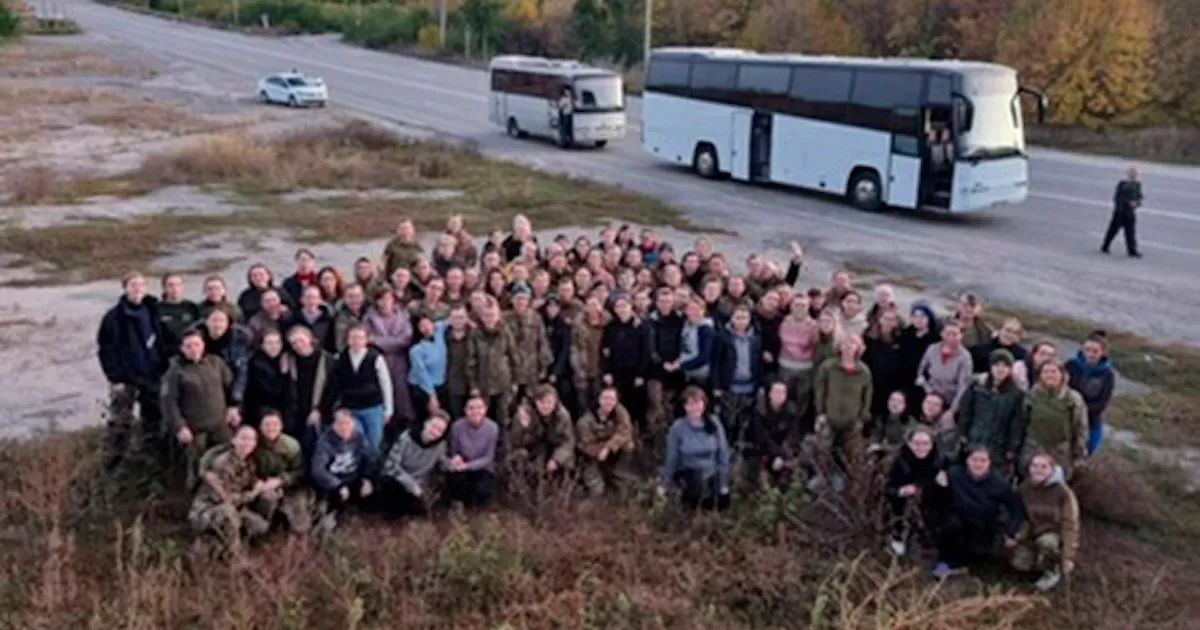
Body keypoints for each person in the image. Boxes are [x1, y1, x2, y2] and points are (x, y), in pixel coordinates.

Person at [97, 271, 165, 464]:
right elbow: (105, 350)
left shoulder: (151, 310)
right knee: (120, 421)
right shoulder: (113, 317)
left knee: (152, 417)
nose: (137, 289)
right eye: (133, 285)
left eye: (141, 285)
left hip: (151, 374)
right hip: (125, 378)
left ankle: (150, 456)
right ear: (125, 288)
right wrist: (114, 377)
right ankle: (114, 461)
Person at [932, 446, 1025, 580]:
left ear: (989, 463)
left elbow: (1016, 508)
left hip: (984, 524)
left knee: (979, 554)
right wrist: (938, 481)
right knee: (950, 526)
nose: (978, 464)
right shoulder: (954, 474)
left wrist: (1011, 531)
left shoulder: (1000, 483)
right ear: (967, 461)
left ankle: (970, 562)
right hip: (957, 520)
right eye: (974, 460)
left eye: (983, 460)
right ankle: (943, 561)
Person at [161, 329, 238, 488]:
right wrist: (180, 427)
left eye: (197, 344)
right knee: (197, 470)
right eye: (188, 346)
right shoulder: (175, 371)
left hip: (221, 426)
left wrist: (235, 407)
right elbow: (169, 403)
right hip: (195, 431)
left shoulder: (216, 363)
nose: (193, 349)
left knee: (228, 463)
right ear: (182, 349)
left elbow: (232, 388)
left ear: (203, 345)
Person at [188, 425, 269, 558]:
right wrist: (253, 493)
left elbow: (248, 480)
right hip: (207, 510)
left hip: (232, 508)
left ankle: (217, 542)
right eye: (243, 438)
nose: (247, 443)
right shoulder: (222, 463)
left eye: (251, 439)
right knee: (229, 514)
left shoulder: (248, 462)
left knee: (260, 526)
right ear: (234, 441)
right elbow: (227, 498)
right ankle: (235, 557)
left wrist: (258, 484)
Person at [1011, 453, 1081, 591]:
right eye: (1035, 465)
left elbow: (1070, 526)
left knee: (1047, 543)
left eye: (1044, 466)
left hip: (1053, 534)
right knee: (1018, 563)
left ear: (1052, 469)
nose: (1038, 469)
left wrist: (1068, 556)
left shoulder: (1064, 493)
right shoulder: (1025, 488)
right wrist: (1018, 534)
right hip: (1033, 531)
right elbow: (1020, 514)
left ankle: (1052, 571)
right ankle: (1036, 564)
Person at [813, 335, 873, 490]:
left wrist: (862, 417)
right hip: (829, 417)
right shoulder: (829, 366)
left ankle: (840, 476)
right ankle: (822, 476)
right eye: (844, 344)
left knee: (847, 451)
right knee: (823, 449)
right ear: (838, 347)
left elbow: (867, 396)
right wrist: (820, 412)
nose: (848, 347)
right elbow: (820, 390)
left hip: (852, 421)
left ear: (858, 348)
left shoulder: (863, 371)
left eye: (852, 344)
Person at [658, 387, 732, 511]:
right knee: (697, 490)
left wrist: (723, 483)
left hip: (712, 471)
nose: (694, 408)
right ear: (684, 407)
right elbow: (672, 457)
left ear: (704, 404)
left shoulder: (714, 422)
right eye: (690, 404)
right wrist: (664, 484)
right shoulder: (678, 427)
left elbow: (723, 453)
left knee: (722, 501)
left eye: (698, 403)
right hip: (689, 471)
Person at [884, 425, 949, 557]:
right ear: (909, 443)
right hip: (904, 503)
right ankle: (898, 536)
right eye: (917, 443)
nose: (921, 448)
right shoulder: (899, 461)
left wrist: (944, 481)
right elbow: (887, 488)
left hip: (931, 500)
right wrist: (900, 491)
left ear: (932, 444)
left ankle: (934, 538)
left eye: (925, 444)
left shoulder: (941, 459)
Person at [957, 349, 1024, 477]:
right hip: (974, 441)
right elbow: (965, 412)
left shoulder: (1016, 395)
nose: (1000, 369)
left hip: (998, 447)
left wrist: (1011, 448)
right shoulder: (977, 387)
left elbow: (1016, 424)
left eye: (1005, 366)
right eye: (997, 365)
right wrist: (963, 434)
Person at [310, 409, 379, 532]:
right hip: (333, 483)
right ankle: (330, 519)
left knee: (377, 488)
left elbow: (370, 458)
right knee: (334, 501)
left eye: (347, 423)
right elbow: (318, 470)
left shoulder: (359, 437)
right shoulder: (325, 442)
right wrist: (338, 485)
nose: (344, 427)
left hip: (353, 478)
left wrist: (367, 479)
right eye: (340, 424)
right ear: (334, 425)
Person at [330, 325, 394, 452]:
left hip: (373, 407)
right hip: (350, 408)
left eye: (360, 338)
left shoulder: (376, 358)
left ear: (366, 340)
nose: (356, 341)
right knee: (355, 443)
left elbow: (386, 384)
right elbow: (335, 385)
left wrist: (389, 409)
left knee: (373, 443)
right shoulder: (340, 358)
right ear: (347, 340)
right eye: (352, 338)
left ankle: (372, 470)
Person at [1020, 361, 1089, 479]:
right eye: (1045, 372)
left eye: (1053, 371)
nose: (1049, 375)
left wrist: (1079, 453)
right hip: (1033, 447)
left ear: (1062, 374)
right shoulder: (1032, 395)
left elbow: (1080, 428)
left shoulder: (1073, 398)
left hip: (1060, 451)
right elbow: (1023, 421)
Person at [377, 412, 450, 520]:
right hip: (401, 480)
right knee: (389, 485)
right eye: (434, 426)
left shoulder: (441, 445)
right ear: (426, 423)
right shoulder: (405, 438)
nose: (435, 432)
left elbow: (443, 464)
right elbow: (390, 466)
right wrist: (411, 485)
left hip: (421, 485)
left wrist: (454, 464)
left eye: (440, 430)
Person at [364, 288, 415, 430]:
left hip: (400, 362)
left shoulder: (403, 317)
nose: (385, 303)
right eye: (381, 299)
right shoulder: (369, 318)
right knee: (383, 394)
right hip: (379, 361)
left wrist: (379, 341)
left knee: (401, 395)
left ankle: (403, 425)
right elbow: (367, 339)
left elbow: (405, 339)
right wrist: (392, 342)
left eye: (388, 299)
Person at [503, 385, 576, 481]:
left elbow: (568, 442)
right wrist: (526, 427)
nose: (545, 406)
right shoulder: (525, 415)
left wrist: (556, 459)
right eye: (541, 402)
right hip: (532, 449)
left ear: (555, 402)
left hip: (553, 448)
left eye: (549, 402)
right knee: (520, 456)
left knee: (567, 459)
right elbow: (515, 442)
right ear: (535, 402)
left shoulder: (563, 416)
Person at [576, 386, 637, 497]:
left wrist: (608, 447)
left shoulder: (620, 412)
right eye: (605, 398)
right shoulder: (585, 420)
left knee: (628, 445)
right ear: (599, 400)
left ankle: (617, 472)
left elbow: (625, 432)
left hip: (611, 453)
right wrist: (600, 451)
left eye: (612, 399)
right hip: (591, 457)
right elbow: (585, 445)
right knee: (597, 491)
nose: (608, 402)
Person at [601, 295, 651, 429]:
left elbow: (645, 352)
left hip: (635, 373)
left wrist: (641, 374)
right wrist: (607, 371)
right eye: (618, 306)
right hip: (616, 372)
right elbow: (605, 351)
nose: (621, 309)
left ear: (630, 307)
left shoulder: (641, 327)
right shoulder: (610, 327)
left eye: (624, 306)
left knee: (637, 404)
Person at [743, 381, 803, 490]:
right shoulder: (760, 410)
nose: (779, 395)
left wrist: (783, 455)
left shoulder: (791, 411)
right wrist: (776, 455)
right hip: (763, 451)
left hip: (784, 452)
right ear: (770, 394)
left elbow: (793, 435)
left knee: (793, 467)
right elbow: (761, 436)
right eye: (776, 392)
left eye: (782, 392)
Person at [467, 300, 518, 428]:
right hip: (482, 383)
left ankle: (504, 445)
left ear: (498, 315)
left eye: (492, 315)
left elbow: (513, 356)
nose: (490, 318)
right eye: (486, 315)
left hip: (503, 382)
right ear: (482, 317)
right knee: (482, 418)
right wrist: (473, 385)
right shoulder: (475, 334)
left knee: (503, 417)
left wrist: (515, 381)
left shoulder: (505, 331)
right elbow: (470, 361)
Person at [285, 325, 334, 453]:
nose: (298, 345)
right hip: (297, 413)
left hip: (320, 412)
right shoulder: (290, 361)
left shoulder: (327, 360)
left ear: (310, 339)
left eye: (301, 340)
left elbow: (332, 389)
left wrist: (319, 410)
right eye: (294, 343)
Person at [1065, 331, 1115, 455]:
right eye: (1087, 350)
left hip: (1091, 419)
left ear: (1102, 352)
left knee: (1087, 450)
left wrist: (1080, 410)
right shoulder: (1070, 366)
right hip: (1066, 414)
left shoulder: (1107, 375)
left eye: (1095, 351)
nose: (1090, 354)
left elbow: (1102, 402)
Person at [446, 396, 501, 509]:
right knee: (454, 479)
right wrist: (456, 458)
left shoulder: (493, 428)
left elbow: (488, 457)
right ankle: (457, 503)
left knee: (482, 492)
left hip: (483, 467)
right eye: (471, 408)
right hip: (462, 465)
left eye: (479, 407)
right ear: (465, 410)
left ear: (485, 409)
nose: (475, 411)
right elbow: (453, 450)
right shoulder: (457, 426)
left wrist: (468, 466)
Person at [916, 320, 973, 413]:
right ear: (942, 334)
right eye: (948, 333)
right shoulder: (932, 349)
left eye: (954, 334)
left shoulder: (965, 357)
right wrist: (928, 390)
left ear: (961, 336)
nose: (950, 337)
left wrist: (952, 411)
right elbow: (921, 372)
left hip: (949, 401)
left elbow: (963, 387)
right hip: (929, 395)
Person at [241, 330, 292, 430]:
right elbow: (271, 391)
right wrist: (284, 374)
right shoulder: (256, 363)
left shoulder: (282, 359)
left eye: (277, 342)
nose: (274, 346)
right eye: (269, 343)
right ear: (262, 345)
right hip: (261, 412)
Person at [408, 315, 449, 423]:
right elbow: (421, 373)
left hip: (441, 384)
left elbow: (449, 320)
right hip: (423, 388)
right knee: (426, 419)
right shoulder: (416, 350)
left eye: (428, 323)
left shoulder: (439, 333)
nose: (426, 327)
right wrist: (432, 395)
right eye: (422, 326)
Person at [1101, 167, 1143, 258]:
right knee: (1113, 230)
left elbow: (1140, 197)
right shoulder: (1122, 184)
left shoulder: (1138, 185)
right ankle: (1105, 246)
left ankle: (1132, 250)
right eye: (1131, 173)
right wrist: (1126, 203)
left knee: (1130, 233)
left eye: (1135, 174)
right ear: (1128, 174)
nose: (1133, 176)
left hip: (1130, 213)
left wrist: (1136, 204)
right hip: (1120, 211)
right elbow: (1117, 197)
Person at [157, 273, 201, 355]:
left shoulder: (192, 307)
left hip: (189, 353)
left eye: (178, 285)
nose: (175, 288)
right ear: (164, 288)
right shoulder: (157, 308)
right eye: (170, 285)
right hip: (166, 355)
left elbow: (199, 331)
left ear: (182, 287)